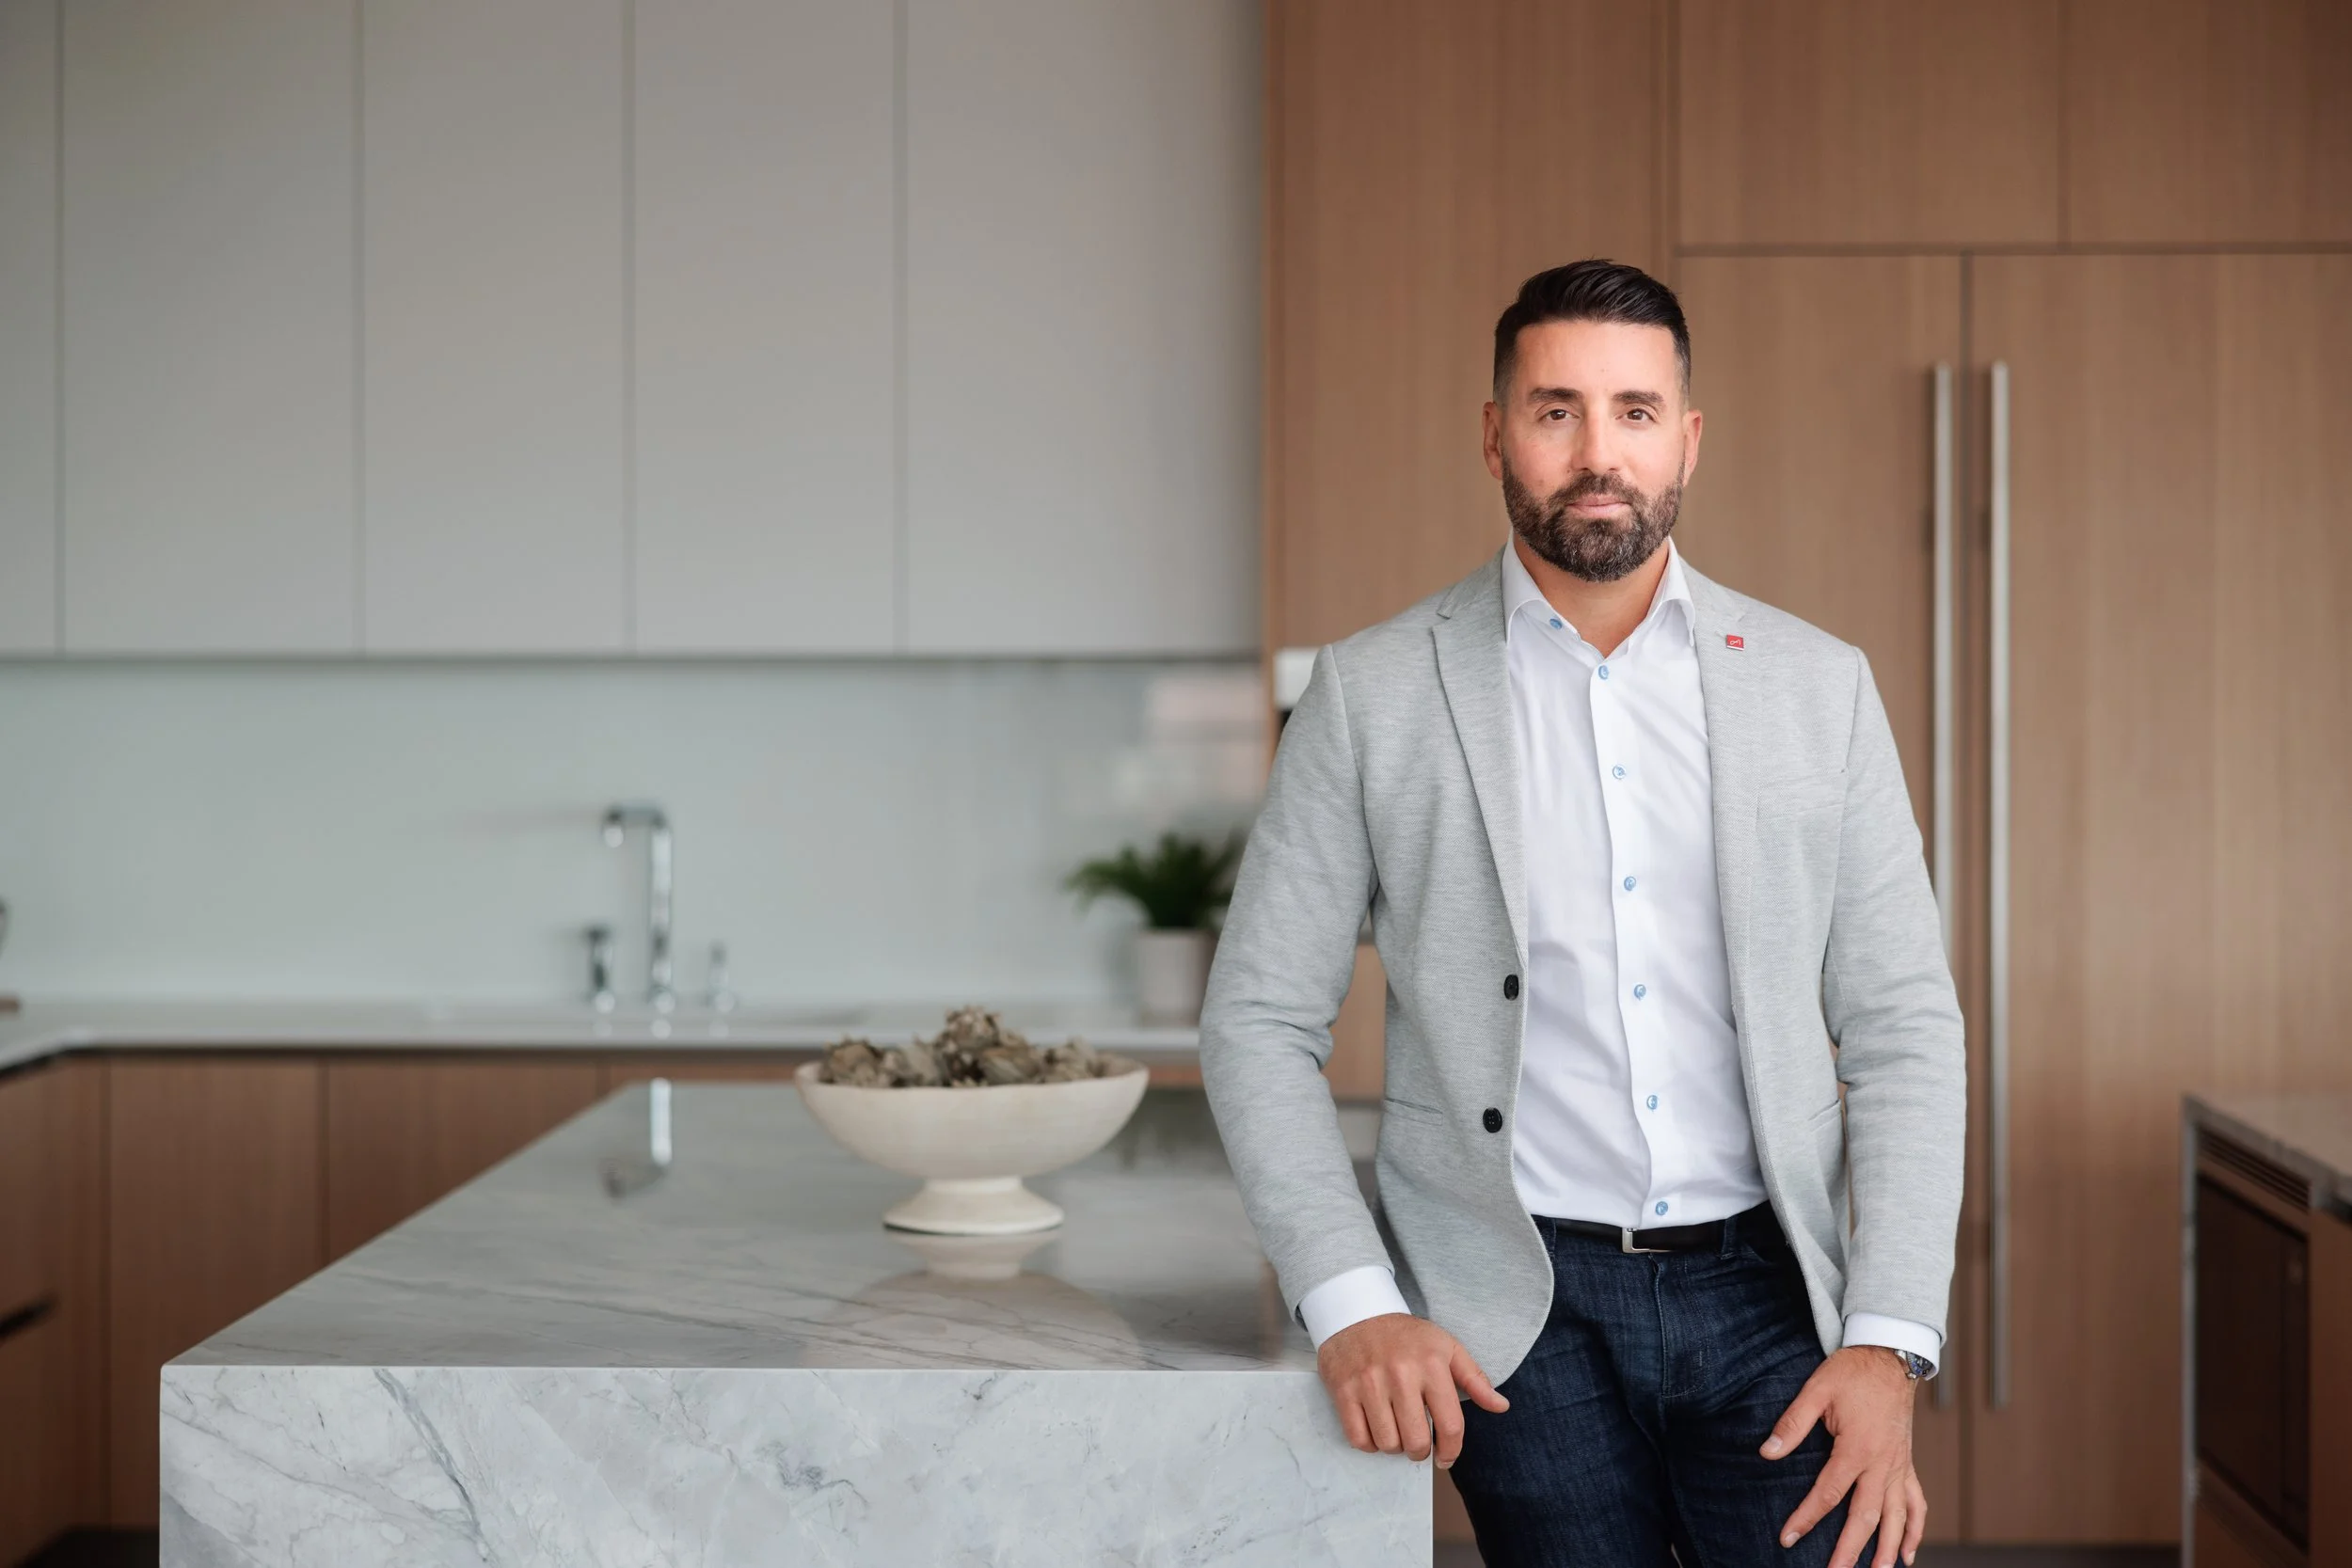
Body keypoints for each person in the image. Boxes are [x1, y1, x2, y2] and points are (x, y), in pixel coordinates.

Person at [1199, 259, 1963, 1568]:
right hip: (1511, 1304)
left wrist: (1889, 1339)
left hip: (1774, 1293)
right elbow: (1259, 1020)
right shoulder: (1374, 693)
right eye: (1556, 411)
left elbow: (1900, 1028)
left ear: (1689, 439)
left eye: (1633, 410)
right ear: (1494, 434)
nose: (1597, 451)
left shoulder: (1818, 688)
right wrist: (1352, 1302)